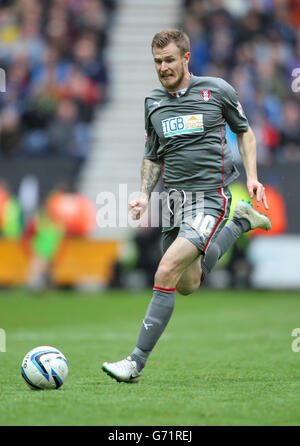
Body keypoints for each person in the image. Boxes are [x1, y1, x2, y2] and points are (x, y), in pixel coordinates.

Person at [102, 29, 271, 383]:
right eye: (157, 62)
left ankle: (135, 362)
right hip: (174, 203)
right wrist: (143, 194)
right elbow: (152, 154)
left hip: (211, 198)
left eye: (169, 60)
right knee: (187, 283)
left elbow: (245, 131)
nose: (163, 68)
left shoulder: (217, 90)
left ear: (186, 58)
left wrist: (252, 177)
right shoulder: (152, 103)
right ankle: (240, 224)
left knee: (164, 271)